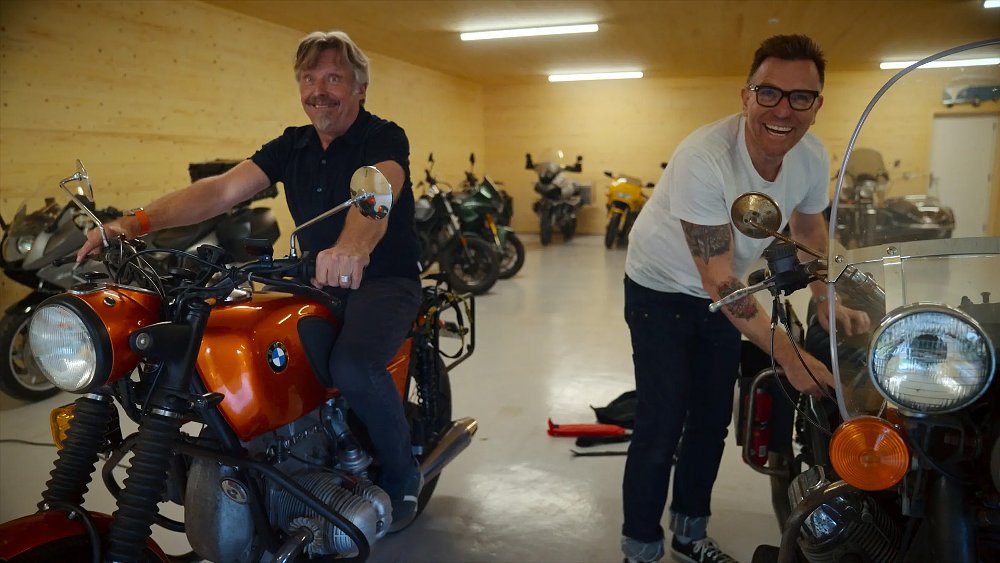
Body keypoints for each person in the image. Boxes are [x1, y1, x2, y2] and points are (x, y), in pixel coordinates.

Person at [77, 30, 425, 532]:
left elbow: (379, 188)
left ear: (360, 88)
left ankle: (402, 474)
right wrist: (134, 223)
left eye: (333, 78)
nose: (319, 90)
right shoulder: (292, 144)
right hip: (313, 278)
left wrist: (353, 247)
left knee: (352, 366)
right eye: (309, 78)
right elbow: (221, 191)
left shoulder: (382, 137)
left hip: (383, 281)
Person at [620, 34, 869, 563]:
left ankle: (689, 534)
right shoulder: (704, 157)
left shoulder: (810, 154)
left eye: (801, 97)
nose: (783, 110)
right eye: (768, 92)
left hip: (727, 289)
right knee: (662, 422)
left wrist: (825, 295)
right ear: (746, 96)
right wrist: (787, 354)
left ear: (817, 105)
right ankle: (640, 546)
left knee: (711, 420)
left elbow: (808, 228)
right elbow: (717, 278)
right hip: (660, 289)